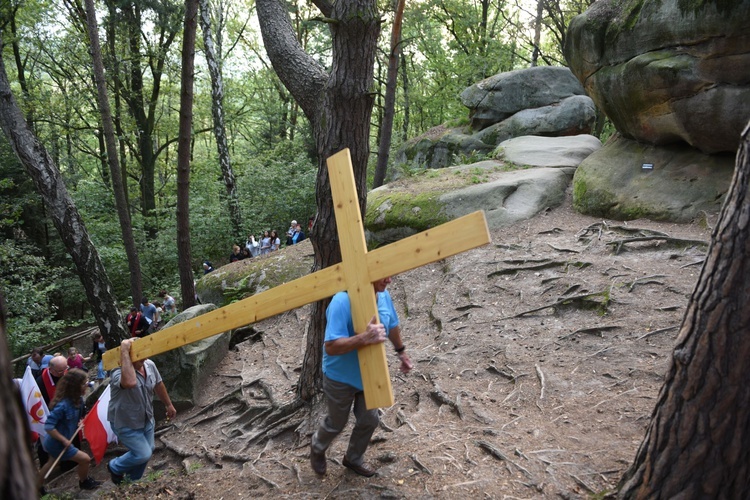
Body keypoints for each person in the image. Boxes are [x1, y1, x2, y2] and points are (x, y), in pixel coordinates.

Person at [310, 276, 413, 477]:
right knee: (336, 423)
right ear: (368, 273)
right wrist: (364, 338)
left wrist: (401, 351)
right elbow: (331, 347)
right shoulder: (342, 301)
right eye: (384, 276)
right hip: (340, 377)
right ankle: (317, 447)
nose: (390, 280)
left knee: (369, 420)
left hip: (370, 373)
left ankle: (353, 458)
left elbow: (391, 324)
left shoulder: (383, 295)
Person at [107, 338, 176, 484]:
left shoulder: (149, 365)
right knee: (143, 454)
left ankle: (132, 480)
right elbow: (130, 382)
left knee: (148, 450)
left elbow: (158, 384)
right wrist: (124, 349)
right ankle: (114, 466)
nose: (144, 359)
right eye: (139, 356)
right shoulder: (116, 372)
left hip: (146, 418)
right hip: (126, 422)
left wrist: (168, 404)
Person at [38, 368, 101, 491]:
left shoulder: (78, 400)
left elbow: (76, 417)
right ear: (75, 387)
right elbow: (49, 426)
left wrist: (80, 422)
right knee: (85, 459)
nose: (87, 385)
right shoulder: (63, 405)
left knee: (51, 463)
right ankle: (84, 482)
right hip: (57, 443)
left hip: (61, 442)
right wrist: (64, 440)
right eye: (84, 383)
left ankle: (37, 487)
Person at [36, 356, 79, 472]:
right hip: (52, 414)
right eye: (61, 371)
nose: (64, 372)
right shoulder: (41, 382)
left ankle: (70, 464)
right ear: (51, 370)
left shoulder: (67, 373)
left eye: (66, 368)